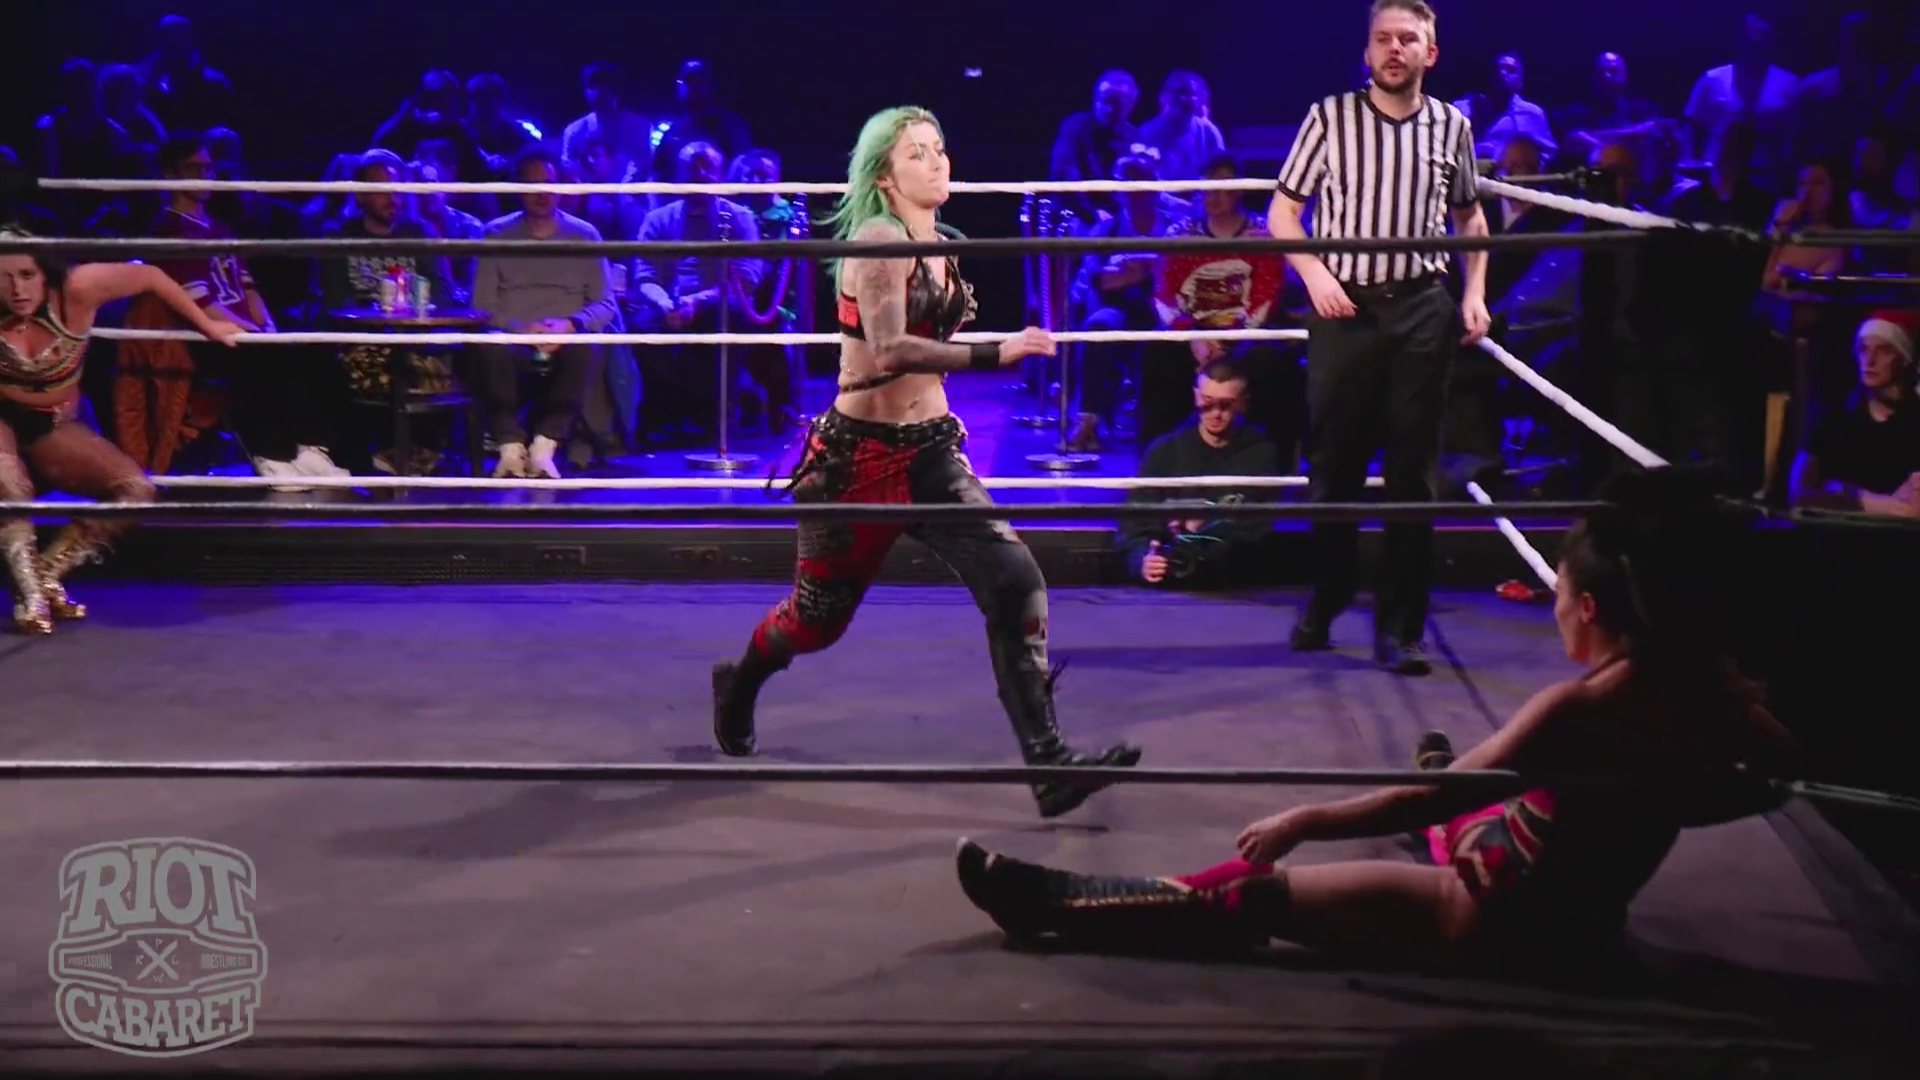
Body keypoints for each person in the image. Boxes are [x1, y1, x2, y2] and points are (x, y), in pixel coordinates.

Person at [957, 468, 1801, 971]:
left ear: (1587, 606)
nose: (1552, 607)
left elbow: (1424, 802)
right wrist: (1658, 803)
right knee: (1475, 807)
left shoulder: (1578, 710)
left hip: (1484, 924)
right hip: (1581, 923)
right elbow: (1776, 774)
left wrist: (1303, 820)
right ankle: (1458, 803)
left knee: (1259, 894)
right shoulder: (1710, 694)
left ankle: (1060, 903)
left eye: (1558, 592)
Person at [710, 106, 1142, 819]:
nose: (936, 161)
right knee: (814, 623)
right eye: (916, 153)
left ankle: (1050, 764)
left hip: (932, 450)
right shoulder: (880, 239)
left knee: (1016, 582)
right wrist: (996, 351)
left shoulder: (942, 243)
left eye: (939, 148)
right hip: (856, 461)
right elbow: (887, 349)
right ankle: (742, 679)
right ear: (885, 175)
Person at [1270, 0, 1492, 677]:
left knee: (1413, 473)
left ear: (1431, 52)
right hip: (1345, 309)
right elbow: (1283, 213)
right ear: (1367, 51)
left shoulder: (1452, 125)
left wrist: (1475, 293)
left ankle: (1403, 627)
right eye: (1383, 39)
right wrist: (1314, 275)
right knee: (1333, 464)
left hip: (1422, 307)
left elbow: (1470, 217)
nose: (1395, 49)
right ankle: (1327, 595)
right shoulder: (1329, 117)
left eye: (1408, 39)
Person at [1, 228, 242, 634]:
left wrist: (208, 325)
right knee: (8, 483)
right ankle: (30, 597)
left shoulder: (78, 289)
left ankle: (46, 575)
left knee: (135, 491)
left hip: (53, 421)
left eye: (26, 275)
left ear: (45, 272)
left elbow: (149, 274)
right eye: (4, 278)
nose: (17, 289)